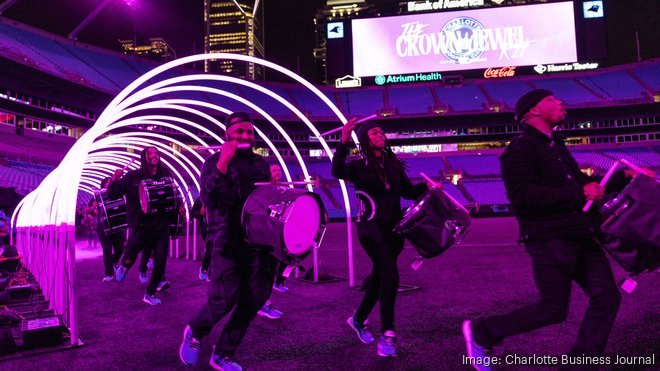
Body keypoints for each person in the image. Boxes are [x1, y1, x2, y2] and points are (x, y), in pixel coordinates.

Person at [462, 90, 622, 370]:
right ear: (533, 111)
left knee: (607, 297)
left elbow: (577, 186)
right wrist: (579, 193)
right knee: (552, 310)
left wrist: (622, 176)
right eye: (551, 100)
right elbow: (524, 198)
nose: (561, 102)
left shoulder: (555, 145)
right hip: (550, 240)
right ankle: (481, 332)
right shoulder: (519, 150)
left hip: (580, 235)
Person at [331, 118, 437, 357]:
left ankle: (358, 319)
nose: (381, 135)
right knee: (391, 276)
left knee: (380, 278)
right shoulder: (358, 166)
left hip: (393, 230)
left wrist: (427, 186)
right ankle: (388, 334)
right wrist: (344, 140)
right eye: (375, 132)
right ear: (366, 139)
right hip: (370, 229)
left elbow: (409, 193)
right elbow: (336, 170)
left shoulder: (393, 164)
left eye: (382, 132)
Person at [179, 112, 276, 370]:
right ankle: (195, 332)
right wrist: (223, 163)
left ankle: (222, 353)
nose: (245, 136)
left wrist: (274, 190)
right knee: (224, 299)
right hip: (226, 241)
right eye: (240, 131)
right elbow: (208, 199)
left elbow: (264, 201)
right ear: (227, 135)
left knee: (253, 299)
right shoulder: (212, 162)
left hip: (256, 242)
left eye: (249, 132)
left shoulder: (260, 164)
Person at [108, 147, 176, 305]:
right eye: (150, 154)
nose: (154, 156)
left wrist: (178, 207)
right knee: (130, 256)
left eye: (156, 154)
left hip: (160, 225)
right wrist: (114, 180)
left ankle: (150, 293)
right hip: (140, 224)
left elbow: (172, 193)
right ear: (144, 157)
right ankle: (125, 265)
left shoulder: (166, 174)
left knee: (161, 260)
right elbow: (112, 194)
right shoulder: (133, 176)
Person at [96, 177, 125, 282]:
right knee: (107, 250)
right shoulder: (98, 195)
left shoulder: (118, 194)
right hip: (104, 226)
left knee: (120, 248)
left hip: (117, 224)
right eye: (108, 182)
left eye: (111, 182)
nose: (110, 183)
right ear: (103, 185)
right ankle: (109, 274)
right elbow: (90, 208)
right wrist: (93, 209)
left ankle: (114, 261)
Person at [268, 163, 289, 293]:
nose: (276, 172)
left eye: (278, 170)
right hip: (269, 226)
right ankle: (270, 282)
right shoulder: (265, 189)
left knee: (288, 255)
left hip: (282, 225)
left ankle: (280, 280)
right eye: (274, 170)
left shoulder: (284, 189)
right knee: (272, 257)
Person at [191, 197, 210, 281]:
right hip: (205, 227)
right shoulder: (201, 199)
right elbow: (192, 213)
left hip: (217, 226)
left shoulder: (220, 197)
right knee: (211, 248)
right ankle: (204, 268)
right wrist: (200, 213)